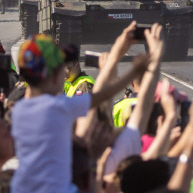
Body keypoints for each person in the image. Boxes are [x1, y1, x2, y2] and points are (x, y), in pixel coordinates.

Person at [10, 30, 148, 193]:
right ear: (54, 77)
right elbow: (102, 95)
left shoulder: (18, 109)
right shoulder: (57, 107)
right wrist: (132, 70)